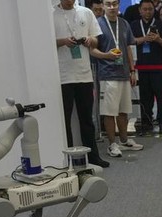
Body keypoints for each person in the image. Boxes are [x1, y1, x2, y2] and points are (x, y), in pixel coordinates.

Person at [53, 0, 109, 168]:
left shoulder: (86, 12)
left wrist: (88, 40)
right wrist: (63, 41)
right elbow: (45, 43)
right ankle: (67, 159)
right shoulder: (51, 14)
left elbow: (96, 41)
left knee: (87, 119)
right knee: (65, 121)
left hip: (84, 75)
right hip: (62, 77)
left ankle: (93, 157)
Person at [91, 0, 144, 158]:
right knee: (109, 112)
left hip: (124, 73)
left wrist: (132, 70)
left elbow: (128, 47)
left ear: (119, 5)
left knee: (124, 110)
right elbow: (92, 50)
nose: (112, 7)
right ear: (104, 6)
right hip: (107, 74)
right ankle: (112, 144)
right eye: (108, 4)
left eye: (115, 4)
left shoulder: (124, 23)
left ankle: (124, 140)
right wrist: (106, 55)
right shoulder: (97, 24)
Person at [131, 0, 162, 136]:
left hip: (158, 65)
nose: (147, 12)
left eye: (150, 9)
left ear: (154, 10)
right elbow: (131, 41)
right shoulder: (135, 25)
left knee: (160, 95)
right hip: (141, 66)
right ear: (140, 10)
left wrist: (158, 39)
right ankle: (147, 122)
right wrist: (145, 38)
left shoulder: (160, 24)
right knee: (145, 96)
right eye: (145, 9)